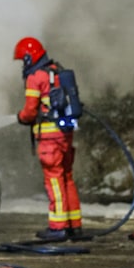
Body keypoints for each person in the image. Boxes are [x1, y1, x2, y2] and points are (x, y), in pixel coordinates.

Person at [13, 36, 82, 240]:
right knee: (67, 178)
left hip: (49, 140)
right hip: (65, 135)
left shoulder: (36, 77)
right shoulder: (57, 70)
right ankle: (74, 225)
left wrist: (21, 117)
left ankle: (58, 227)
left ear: (28, 58)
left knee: (54, 180)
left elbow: (30, 111)